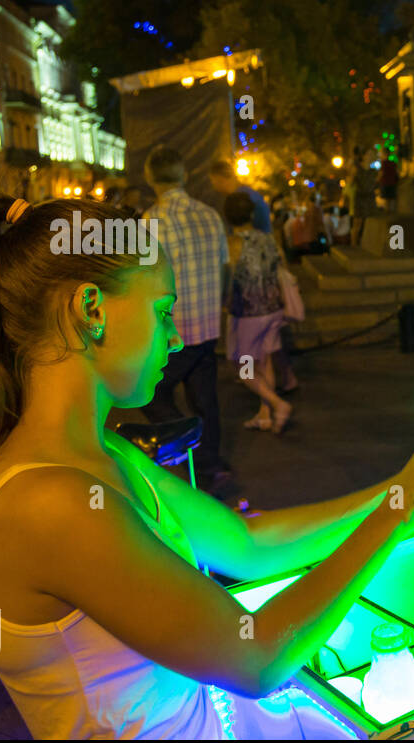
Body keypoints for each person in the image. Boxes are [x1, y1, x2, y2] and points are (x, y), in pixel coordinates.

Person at [0, 195, 414, 738]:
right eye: (162, 313)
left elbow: (246, 543)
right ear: (91, 311)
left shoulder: (103, 454)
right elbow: (256, 657)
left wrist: (406, 490)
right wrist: (394, 518)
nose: (177, 336)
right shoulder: (47, 503)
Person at [140, 145, 235, 497]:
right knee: (205, 398)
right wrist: (220, 304)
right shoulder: (210, 215)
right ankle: (209, 466)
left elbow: (146, 283)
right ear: (185, 175)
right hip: (208, 325)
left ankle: (186, 445)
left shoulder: (148, 223)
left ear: (150, 178)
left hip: (174, 331)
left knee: (150, 393)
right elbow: (227, 267)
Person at [222, 192, 292, 434]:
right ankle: (265, 415)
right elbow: (282, 266)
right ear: (252, 214)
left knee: (244, 366)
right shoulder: (268, 239)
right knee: (265, 361)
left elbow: (227, 277)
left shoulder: (231, 244)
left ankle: (277, 404)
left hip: (247, 312)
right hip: (273, 309)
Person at [208, 161, 272, 233]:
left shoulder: (244, 200)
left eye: (214, 183)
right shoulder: (249, 195)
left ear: (221, 180)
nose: (215, 187)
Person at [349, 148, 378, 248]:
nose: (370, 157)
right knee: (357, 222)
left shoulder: (374, 171)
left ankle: (365, 243)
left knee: (370, 221)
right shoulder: (357, 168)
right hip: (360, 196)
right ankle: (354, 244)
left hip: (370, 196)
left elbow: (375, 184)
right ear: (364, 156)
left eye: (372, 155)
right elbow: (351, 182)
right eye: (369, 154)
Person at [377, 147, 399, 213]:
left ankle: (388, 215)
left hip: (385, 183)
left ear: (384, 154)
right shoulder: (393, 163)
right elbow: (396, 173)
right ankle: (392, 214)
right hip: (392, 183)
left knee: (386, 201)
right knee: (391, 201)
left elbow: (381, 173)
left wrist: (377, 180)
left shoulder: (384, 163)